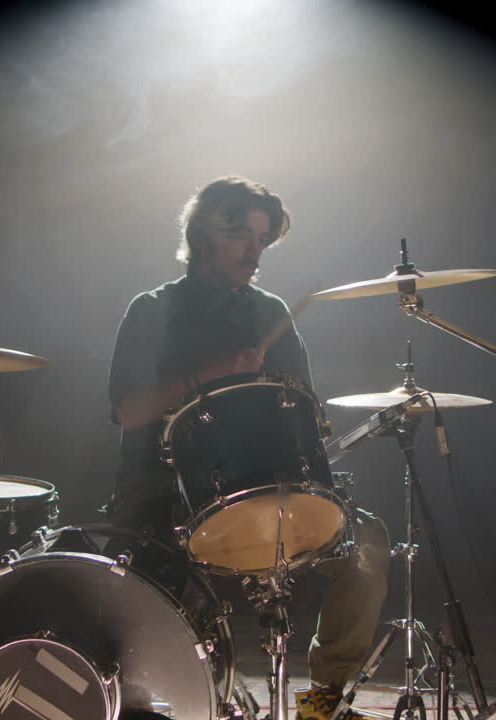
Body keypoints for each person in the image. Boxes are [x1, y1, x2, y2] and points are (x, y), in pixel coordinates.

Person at [104, 175, 391, 719]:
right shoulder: (152, 310)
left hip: (269, 489)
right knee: (164, 621)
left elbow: (303, 410)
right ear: (204, 234)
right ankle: (194, 699)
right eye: (242, 237)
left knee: (368, 544)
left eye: (263, 240)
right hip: (168, 501)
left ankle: (323, 702)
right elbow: (127, 411)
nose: (255, 252)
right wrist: (205, 375)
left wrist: (322, 489)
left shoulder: (270, 312)